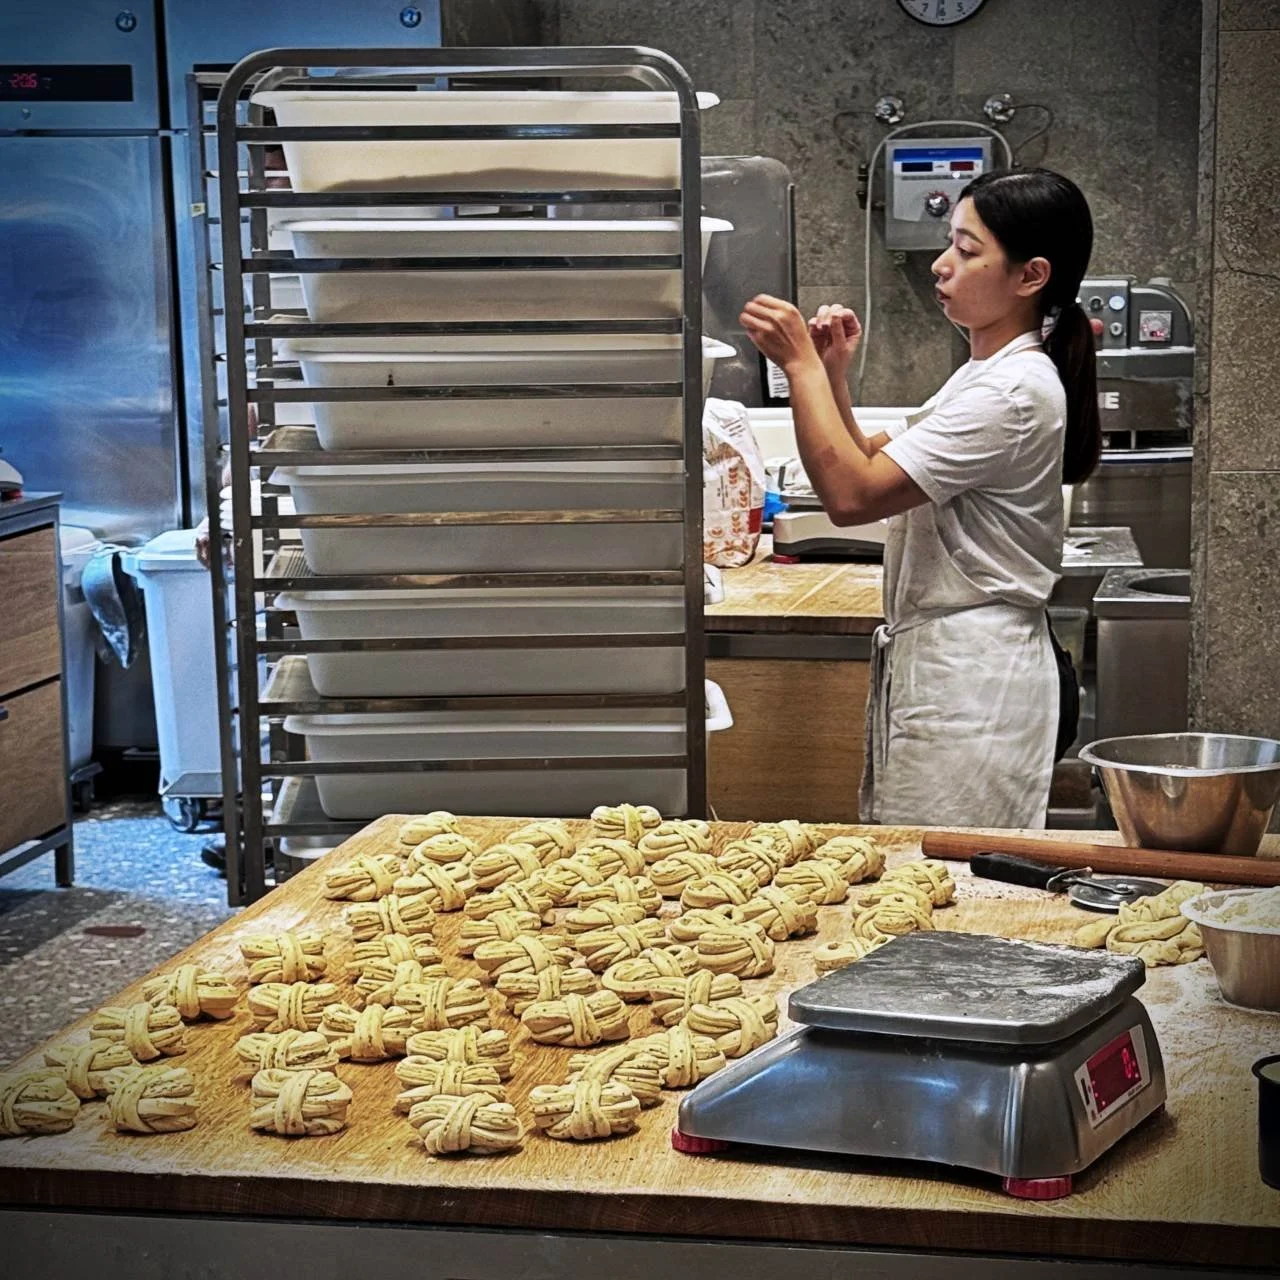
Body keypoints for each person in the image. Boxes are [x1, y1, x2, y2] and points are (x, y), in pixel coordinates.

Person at [739, 167, 1100, 828]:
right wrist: (830, 375)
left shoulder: (1013, 391)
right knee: (920, 879)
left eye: (966, 250)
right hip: (950, 667)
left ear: (1030, 276)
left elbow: (851, 495)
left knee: (948, 895)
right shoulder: (983, 375)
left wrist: (796, 368)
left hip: (973, 683)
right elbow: (872, 461)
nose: (941, 265)